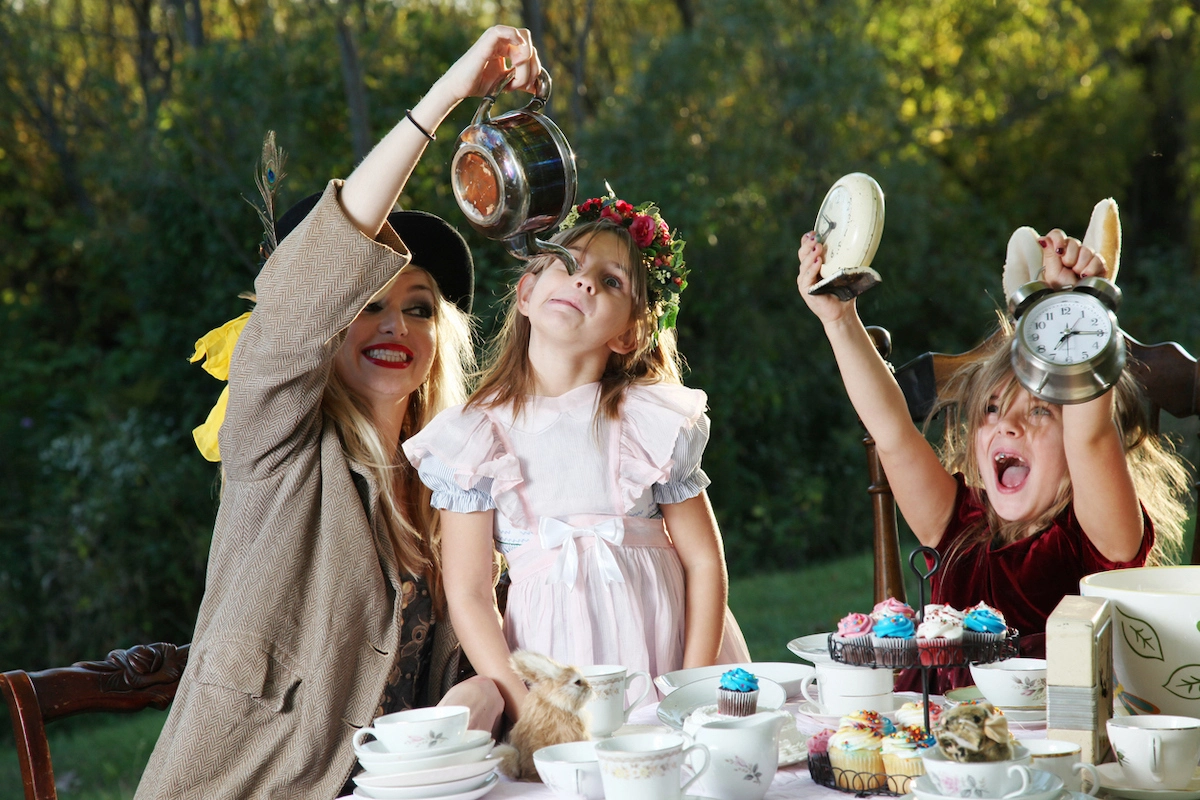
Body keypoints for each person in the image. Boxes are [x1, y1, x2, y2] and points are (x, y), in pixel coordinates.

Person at [135, 26, 543, 800]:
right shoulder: (275, 446)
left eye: (418, 309)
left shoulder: (453, 482)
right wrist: (447, 96)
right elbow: (300, 296)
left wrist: (483, 694)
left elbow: (475, 659)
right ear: (325, 325)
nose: (394, 326)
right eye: (365, 305)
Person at [403, 193, 751, 720]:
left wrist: (689, 686)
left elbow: (704, 562)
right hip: (556, 673)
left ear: (629, 332)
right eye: (568, 265)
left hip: (668, 658)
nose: (584, 282)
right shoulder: (475, 437)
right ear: (525, 293)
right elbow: (470, 591)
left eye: (612, 281)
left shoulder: (648, 420)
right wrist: (527, 707)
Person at [797, 227, 1189, 692]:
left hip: (1047, 751)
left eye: (1041, 410)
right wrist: (839, 319)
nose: (1007, 426)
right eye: (991, 409)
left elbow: (1090, 438)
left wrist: (1081, 307)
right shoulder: (957, 524)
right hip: (934, 745)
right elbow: (893, 434)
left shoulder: (1099, 541)